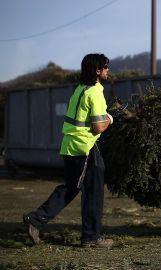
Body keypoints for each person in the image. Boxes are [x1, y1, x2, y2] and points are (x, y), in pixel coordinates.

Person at [23, 53, 114, 248]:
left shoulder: (80, 89)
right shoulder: (96, 92)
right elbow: (98, 128)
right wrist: (111, 119)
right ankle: (91, 238)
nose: (108, 70)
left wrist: (102, 117)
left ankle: (35, 220)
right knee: (93, 192)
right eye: (106, 67)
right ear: (98, 71)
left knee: (70, 188)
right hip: (85, 148)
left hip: (70, 146)